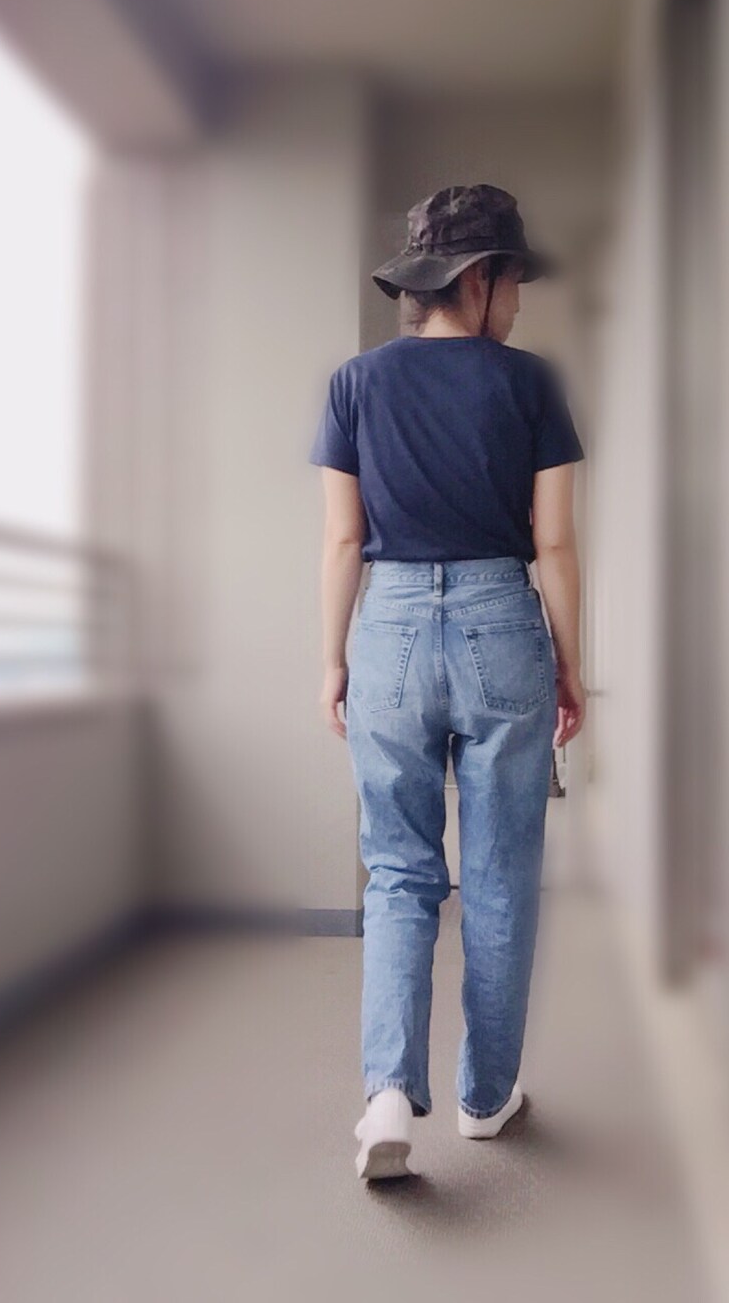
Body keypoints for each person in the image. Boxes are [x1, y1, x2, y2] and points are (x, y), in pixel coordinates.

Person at [309, 184, 586, 1180]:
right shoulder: (530, 383)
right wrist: (570, 663)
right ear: (478, 280)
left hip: (385, 627)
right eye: (512, 283)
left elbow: (343, 539)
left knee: (398, 871)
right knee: (501, 875)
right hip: (500, 620)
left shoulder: (354, 383)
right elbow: (553, 542)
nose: (516, 303)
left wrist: (335, 658)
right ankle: (483, 1098)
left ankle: (388, 1093)